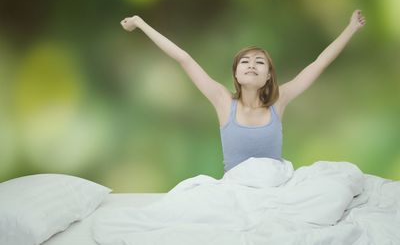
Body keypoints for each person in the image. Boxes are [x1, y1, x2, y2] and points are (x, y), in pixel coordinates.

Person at [120, 10, 366, 172]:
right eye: (245, 62)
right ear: (236, 74)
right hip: (236, 192)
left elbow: (318, 64)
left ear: (268, 75)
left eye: (259, 62)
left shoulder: (279, 101)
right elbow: (183, 58)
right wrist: (140, 23)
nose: (251, 65)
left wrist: (351, 28)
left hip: (274, 189)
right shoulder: (223, 101)